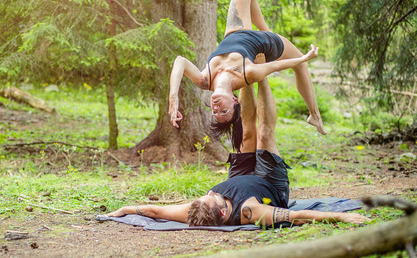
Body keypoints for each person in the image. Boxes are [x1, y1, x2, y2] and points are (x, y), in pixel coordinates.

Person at [107, 77, 369, 227]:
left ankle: (246, 73)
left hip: (241, 174)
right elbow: (297, 215)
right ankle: (263, 78)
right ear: (223, 213)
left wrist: (124, 209)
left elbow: (156, 211)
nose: (211, 192)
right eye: (214, 198)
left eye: (208, 194)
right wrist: (341, 216)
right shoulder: (249, 212)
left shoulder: (200, 207)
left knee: (246, 131)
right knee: (264, 133)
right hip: (269, 183)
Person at [168, 0, 326, 151]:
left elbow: (180, 62)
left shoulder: (204, 80)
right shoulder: (247, 74)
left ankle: (266, 27)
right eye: (224, 111)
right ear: (235, 101)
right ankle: (314, 115)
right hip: (265, 44)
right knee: (300, 66)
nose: (216, 108)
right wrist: (304, 58)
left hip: (235, 31)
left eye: (215, 112)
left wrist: (173, 96)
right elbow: (278, 66)